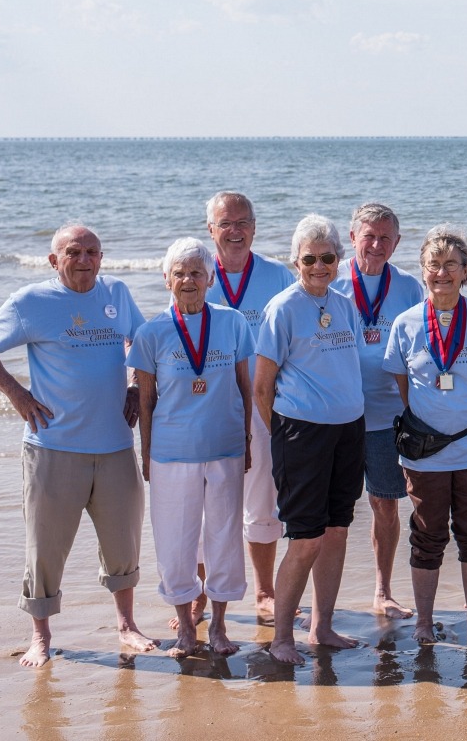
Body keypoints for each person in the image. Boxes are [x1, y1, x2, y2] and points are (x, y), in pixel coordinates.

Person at [0, 223, 158, 668]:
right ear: (55, 261)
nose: (86, 259)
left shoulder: (117, 293)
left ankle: (126, 625)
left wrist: (133, 388)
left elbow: (142, 342)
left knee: (123, 543)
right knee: (45, 548)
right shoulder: (31, 302)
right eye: (75, 252)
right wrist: (18, 395)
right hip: (52, 448)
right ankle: (41, 636)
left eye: (93, 251)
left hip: (114, 446)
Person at [383, 225, 467, 643]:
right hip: (424, 454)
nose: (442, 273)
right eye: (434, 265)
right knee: (427, 536)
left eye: (451, 265)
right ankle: (423, 623)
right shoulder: (405, 324)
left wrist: (461, 408)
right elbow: (402, 385)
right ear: (423, 271)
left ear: (465, 271)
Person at [129, 237, 253, 657]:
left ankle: (218, 626)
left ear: (211, 278)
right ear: (166, 279)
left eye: (196, 273)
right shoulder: (151, 333)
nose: (188, 280)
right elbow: (145, 401)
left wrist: (248, 440)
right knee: (174, 542)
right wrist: (146, 455)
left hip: (225, 449)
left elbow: (245, 387)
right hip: (170, 453)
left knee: (224, 538)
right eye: (179, 273)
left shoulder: (234, 322)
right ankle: (185, 626)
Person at [253, 214, 366, 664]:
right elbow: (263, 388)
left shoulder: (344, 304)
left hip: (348, 431)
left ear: (339, 259)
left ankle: (322, 626)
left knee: (336, 532)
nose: (319, 266)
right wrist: (284, 434)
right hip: (301, 435)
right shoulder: (282, 307)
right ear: (295, 261)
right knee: (307, 539)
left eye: (328, 257)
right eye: (310, 259)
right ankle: (282, 637)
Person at [204, 190, 297, 617]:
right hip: (208, 408)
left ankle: (264, 592)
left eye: (243, 223)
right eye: (226, 224)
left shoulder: (279, 276)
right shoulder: (194, 274)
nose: (235, 231)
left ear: (255, 228)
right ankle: (201, 594)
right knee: (207, 502)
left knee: (262, 499)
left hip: (263, 403)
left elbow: (298, 336)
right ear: (211, 230)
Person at [330, 202, 424, 621]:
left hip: (389, 418)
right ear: (352, 238)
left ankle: (382, 591)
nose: (376, 244)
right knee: (334, 513)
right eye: (368, 235)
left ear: (397, 243)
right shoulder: (330, 283)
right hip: (338, 417)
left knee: (387, 505)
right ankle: (324, 601)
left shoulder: (408, 287)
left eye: (385, 237)